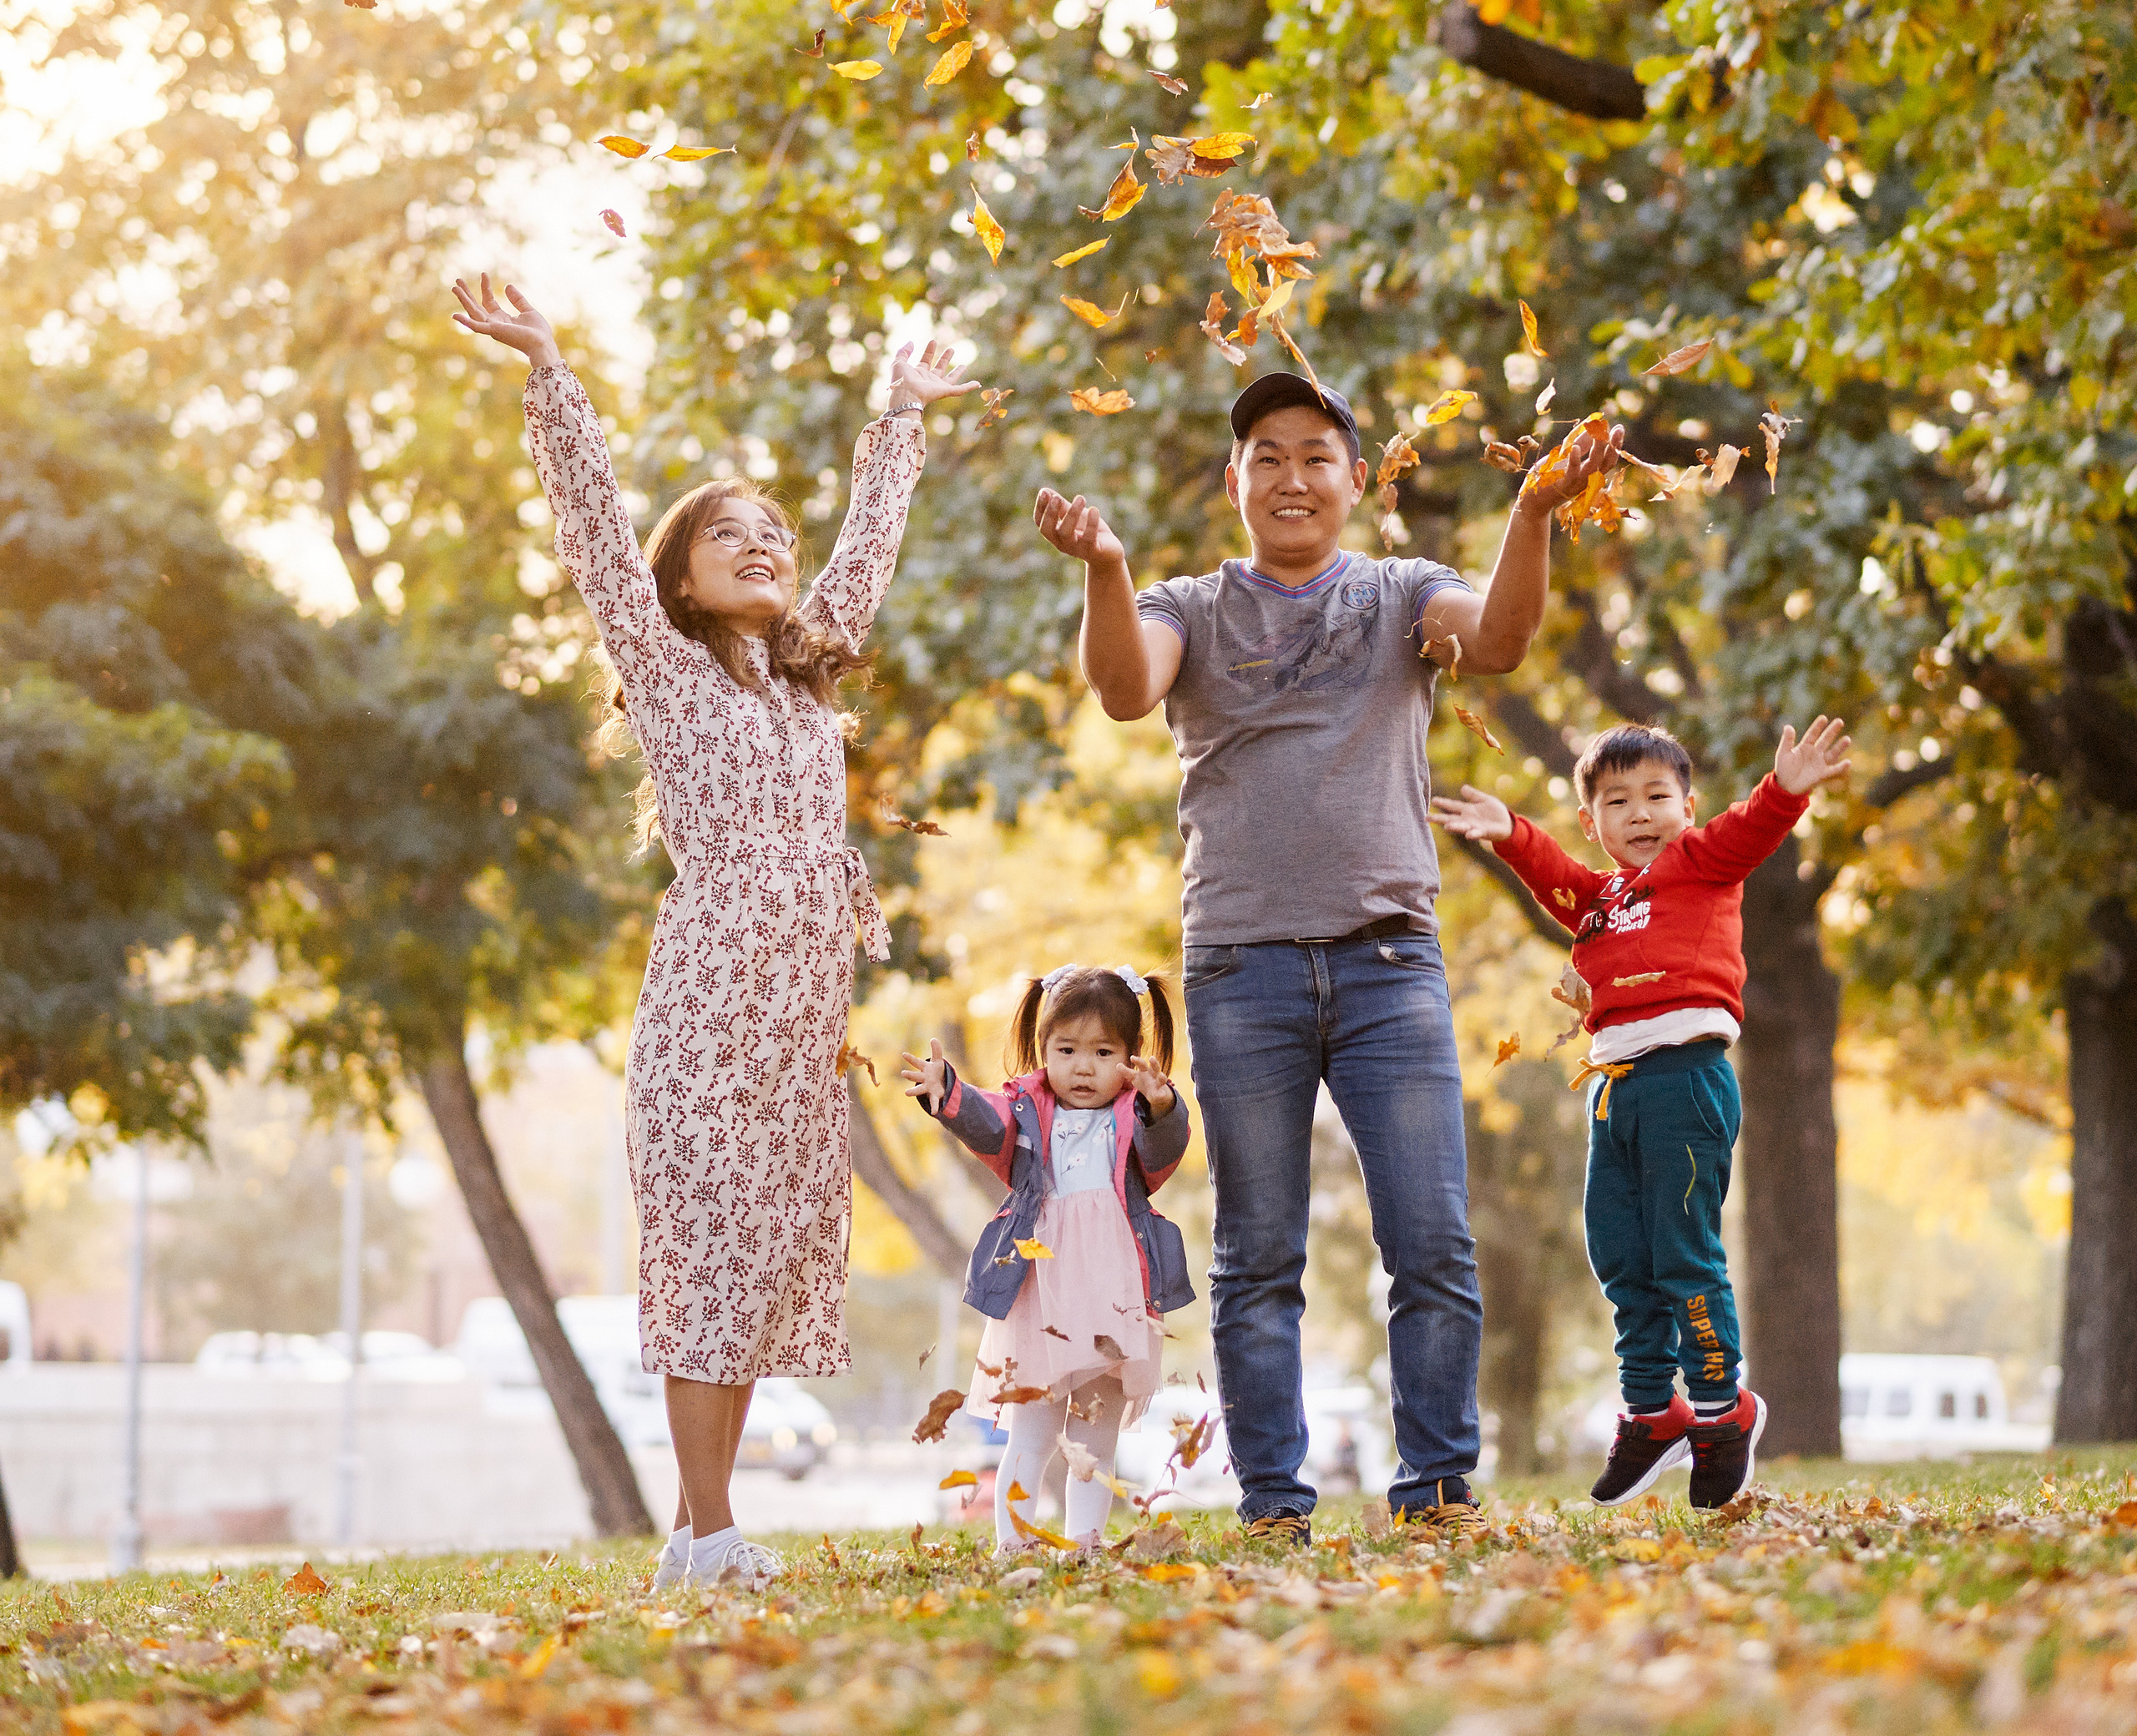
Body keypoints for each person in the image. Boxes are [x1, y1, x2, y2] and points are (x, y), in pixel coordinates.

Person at [452, 274, 978, 1589]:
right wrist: (551, 370)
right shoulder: (669, 669)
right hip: (706, 1015)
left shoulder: (805, 684)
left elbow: (865, 555)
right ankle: (710, 1529)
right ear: (679, 579)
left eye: (772, 533)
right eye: (726, 534)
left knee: (760, 1265)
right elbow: (591, 527)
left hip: (801, 1027)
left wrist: (901, 414)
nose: (762, 545)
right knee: (705, 1258)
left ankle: (701, 1537)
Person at [1033, 371, 1623, 1542]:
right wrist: (1104, 566)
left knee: (1431, 1240)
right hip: (1239, 965)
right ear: (1235, 482)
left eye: (1316, 456)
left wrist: (1533, 512)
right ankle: (1272, 1503)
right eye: (1267, 455)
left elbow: (1501, 641)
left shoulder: (1403, 594)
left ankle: (1437, 1490)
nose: (1292, 477)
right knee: (1258, 1254)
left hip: (1387, 963)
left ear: (1357, 479)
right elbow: (1123, 688)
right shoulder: (1188, 606)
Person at [1432, 716, 1853, 1508]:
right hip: (1614, 1089)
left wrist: (1785, 791)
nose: (1641, 814)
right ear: (1592, 822)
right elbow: (1558, 877)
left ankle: (1722, 1408)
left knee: (1682, 1252)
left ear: (1687, 808)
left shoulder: (1700, 863)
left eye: (1658, 796)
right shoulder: (1600, 901)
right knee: (1621, 1254)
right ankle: (1653, 1410)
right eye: (1618, 802)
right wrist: (1511, 833)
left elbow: (1748, 830)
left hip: (1684, 1080)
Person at [902, 966, 1194, 1552]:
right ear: (1043, 1050)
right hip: (1041, 1295)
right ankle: (1013, 1542)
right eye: (1067, 1050)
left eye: (1103, 1052)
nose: (1083, 1067)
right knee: (1031, 1433)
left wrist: (1162, 1105)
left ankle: (1085, 1541)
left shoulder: (1136, 1114)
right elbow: (985, 1120)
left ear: (1130, 1056)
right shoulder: (1027, 1110)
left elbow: (1163, 1154)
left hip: (1112, 1298)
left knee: (1095, 1436)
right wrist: (947, 1092)